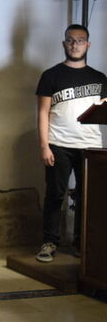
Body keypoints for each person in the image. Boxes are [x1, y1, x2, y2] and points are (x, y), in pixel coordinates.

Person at [35, 24, 107, 262]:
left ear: (88, 45)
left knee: (87, 197)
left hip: (91, 146)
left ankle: (81, 243)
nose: (75, 45)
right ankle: (49, 242)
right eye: (70, 40)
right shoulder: (51, 75)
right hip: (59, 144)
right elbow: (43, 112)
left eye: (80, 40)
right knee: (55, 195)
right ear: (64, 43)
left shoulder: (99, 78)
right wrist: (44, 145)